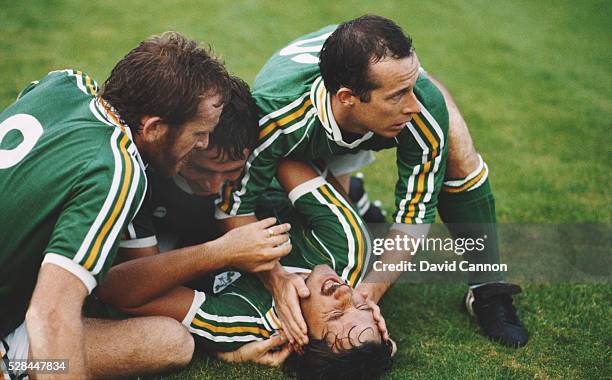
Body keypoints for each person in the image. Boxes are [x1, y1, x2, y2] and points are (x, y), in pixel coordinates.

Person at [215, 15, 528, 348]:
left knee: (459, 152)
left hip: (352, 115)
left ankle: (488, 287)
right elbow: (235, 206)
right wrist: (275, 277)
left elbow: (415, 214)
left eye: (413, 85)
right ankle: (356, 197)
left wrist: (373, 288)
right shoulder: (273, 116)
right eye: (398, 95)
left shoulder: (420, 105)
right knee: (287, 191)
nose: (415, 105)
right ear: (348, 96)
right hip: (308, 130)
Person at [0, 32, 290, 379]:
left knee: (165, 338)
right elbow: (50, 313)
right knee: (157, 340)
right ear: (153, 128)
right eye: (199, 134)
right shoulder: (119, 169)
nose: (203, 144)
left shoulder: (63, 83)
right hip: (12, 324)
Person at [98, 156, 395, 378]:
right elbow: (284, 153)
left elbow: (117, 290)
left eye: (336, 312)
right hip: (251, 171)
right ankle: (355, 194)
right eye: (363, 307)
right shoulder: (347, 247)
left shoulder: (243, 320)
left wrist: (221, 253)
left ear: (300, 341)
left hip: (187, 218)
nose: (346, 294)